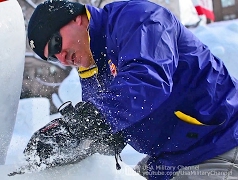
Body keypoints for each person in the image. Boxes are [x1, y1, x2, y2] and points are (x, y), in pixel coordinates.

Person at [27, 0, 238, 179]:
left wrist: (88, 120)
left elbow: (148, 80)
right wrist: (69, 144)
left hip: (220, 141)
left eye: (56, 44)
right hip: (169, 159)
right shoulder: (91, 68)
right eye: (53, 57)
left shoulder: (138, 19)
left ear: (76, 18)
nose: (62, 58)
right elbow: (108, 131)